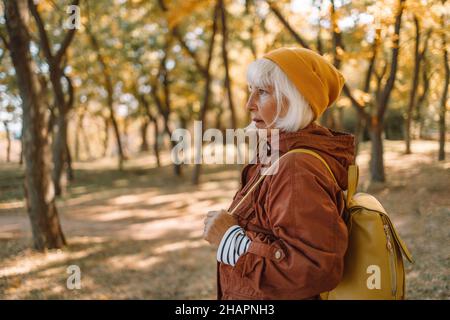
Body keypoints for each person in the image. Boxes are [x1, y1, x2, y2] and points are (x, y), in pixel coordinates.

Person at [203, 47, 355, 300]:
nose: (249, 104)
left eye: (262, 92)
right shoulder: (275, 156)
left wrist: (230, 239)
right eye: (250, 90)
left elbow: (314, 270)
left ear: (293, 99)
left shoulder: (296, 168)